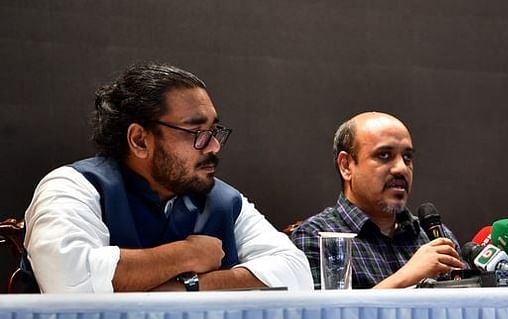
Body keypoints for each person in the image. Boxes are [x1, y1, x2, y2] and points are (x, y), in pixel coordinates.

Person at [22, 63, 313, 293]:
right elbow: (70, 281)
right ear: (139, 140)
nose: (214, 146)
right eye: (196, 132)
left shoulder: (224, 200)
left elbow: (296, 273)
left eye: (214, 131)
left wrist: (189, 287)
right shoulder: (72, 186)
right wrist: (187, 254)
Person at [290, 112, 464, 288]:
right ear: (346, 166)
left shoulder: (433, 237)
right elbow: (325, 316)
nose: (401, 168)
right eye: (384, 155)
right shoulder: (316, 238)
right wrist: (407, 277)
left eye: (407, 157)